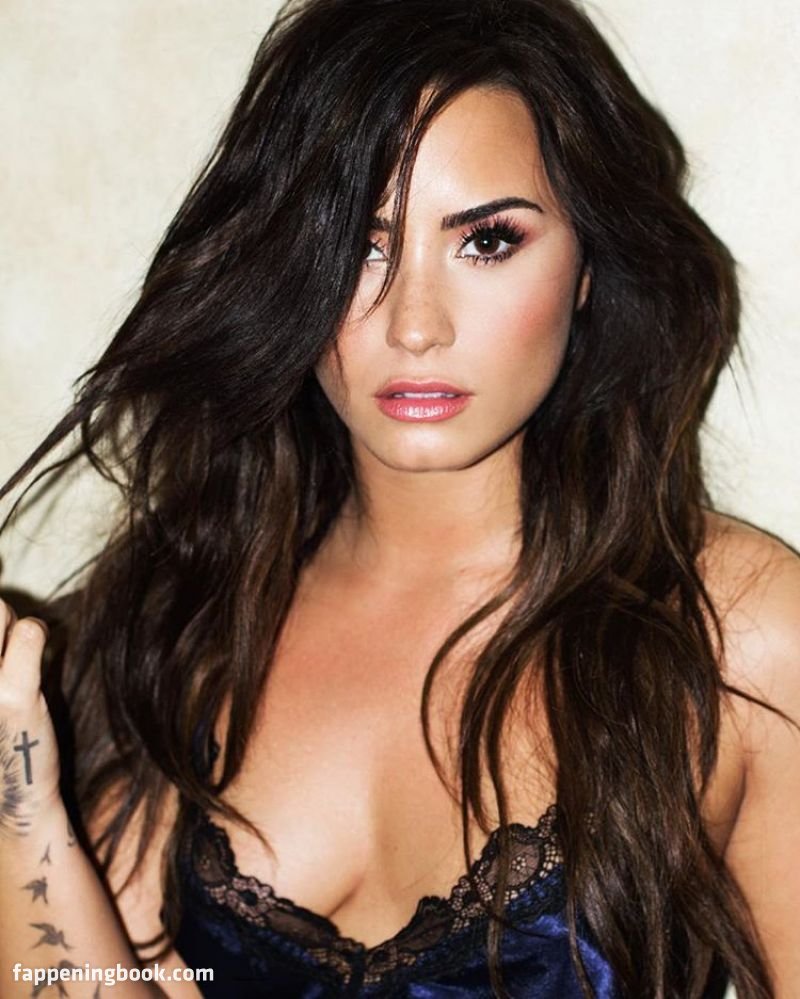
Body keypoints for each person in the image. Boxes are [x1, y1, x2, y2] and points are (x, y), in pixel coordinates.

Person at [1, 0, 798, 995]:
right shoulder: (184, 623)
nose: (414, 324)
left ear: (588, 264)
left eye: (487, 241)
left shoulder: (738, 636)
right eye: (361, 246)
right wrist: (21, 811)